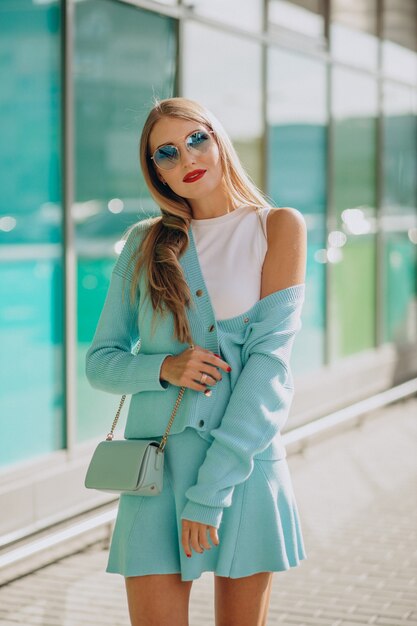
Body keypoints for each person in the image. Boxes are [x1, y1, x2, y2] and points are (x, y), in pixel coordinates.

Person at [85, 96, 308, 626]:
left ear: (218, 138)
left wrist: (209, 496)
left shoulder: (277, 227)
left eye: (195, 139)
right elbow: (100, 362)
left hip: (242, 468)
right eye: (166, 152)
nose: (186, 159)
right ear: (156, 172)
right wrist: (162, 368)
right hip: (156, 473)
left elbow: (269, 370)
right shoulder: (143, 245)